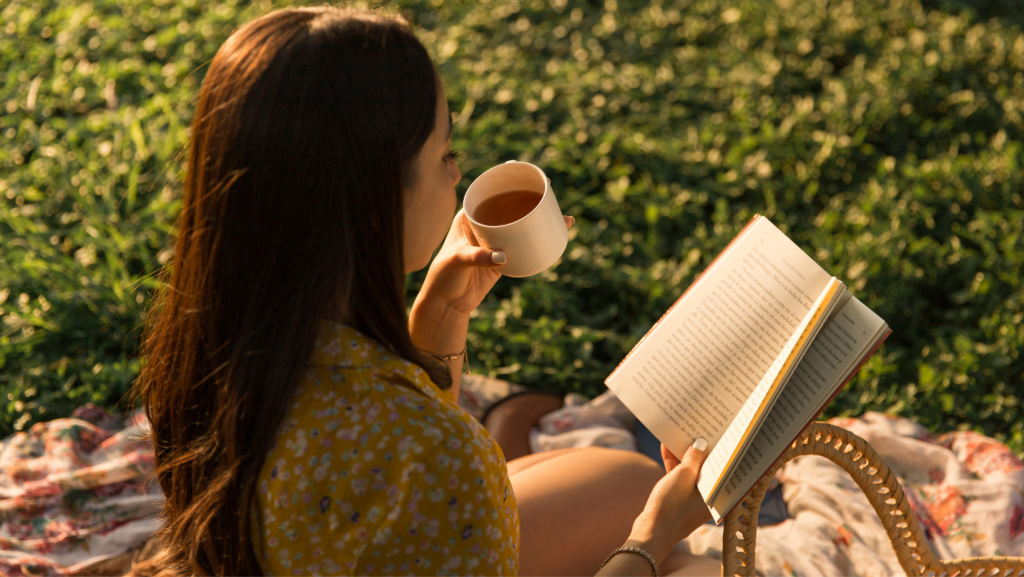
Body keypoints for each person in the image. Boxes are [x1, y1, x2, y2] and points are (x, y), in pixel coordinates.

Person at [135, 6, 720, 576]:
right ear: (377, 199)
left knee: (625, 481)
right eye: (445, 154)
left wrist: (442, 315)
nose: (457, 173)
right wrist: (654, 538)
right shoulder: (433, 453)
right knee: (685, 564)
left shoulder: (209, 350)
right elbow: (414, 454)